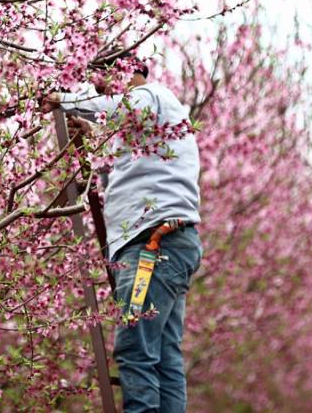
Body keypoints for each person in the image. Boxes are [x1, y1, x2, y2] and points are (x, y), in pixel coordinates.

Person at [41, 53, 202, 413]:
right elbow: (119, 177)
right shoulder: (137, 129)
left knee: (135, 348)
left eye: (102, 81)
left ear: (128, 74)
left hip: (154, 245)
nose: (97, 88)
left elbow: (123, 108)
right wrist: (94, 137)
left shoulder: (151, 97)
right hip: (166, 244)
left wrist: (65, 100)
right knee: (162, 355)